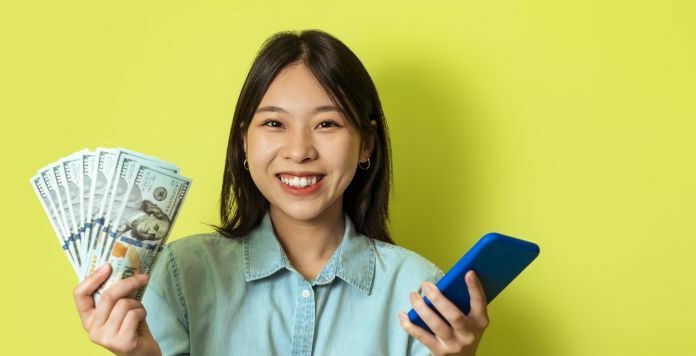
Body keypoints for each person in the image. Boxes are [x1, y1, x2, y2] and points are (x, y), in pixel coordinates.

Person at [73, 29, 490, 356]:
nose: (299, 151)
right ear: (244, 142)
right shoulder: (183, 274)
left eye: (327, 124)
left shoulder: (421, 290)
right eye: (274, 124)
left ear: (366, 144)